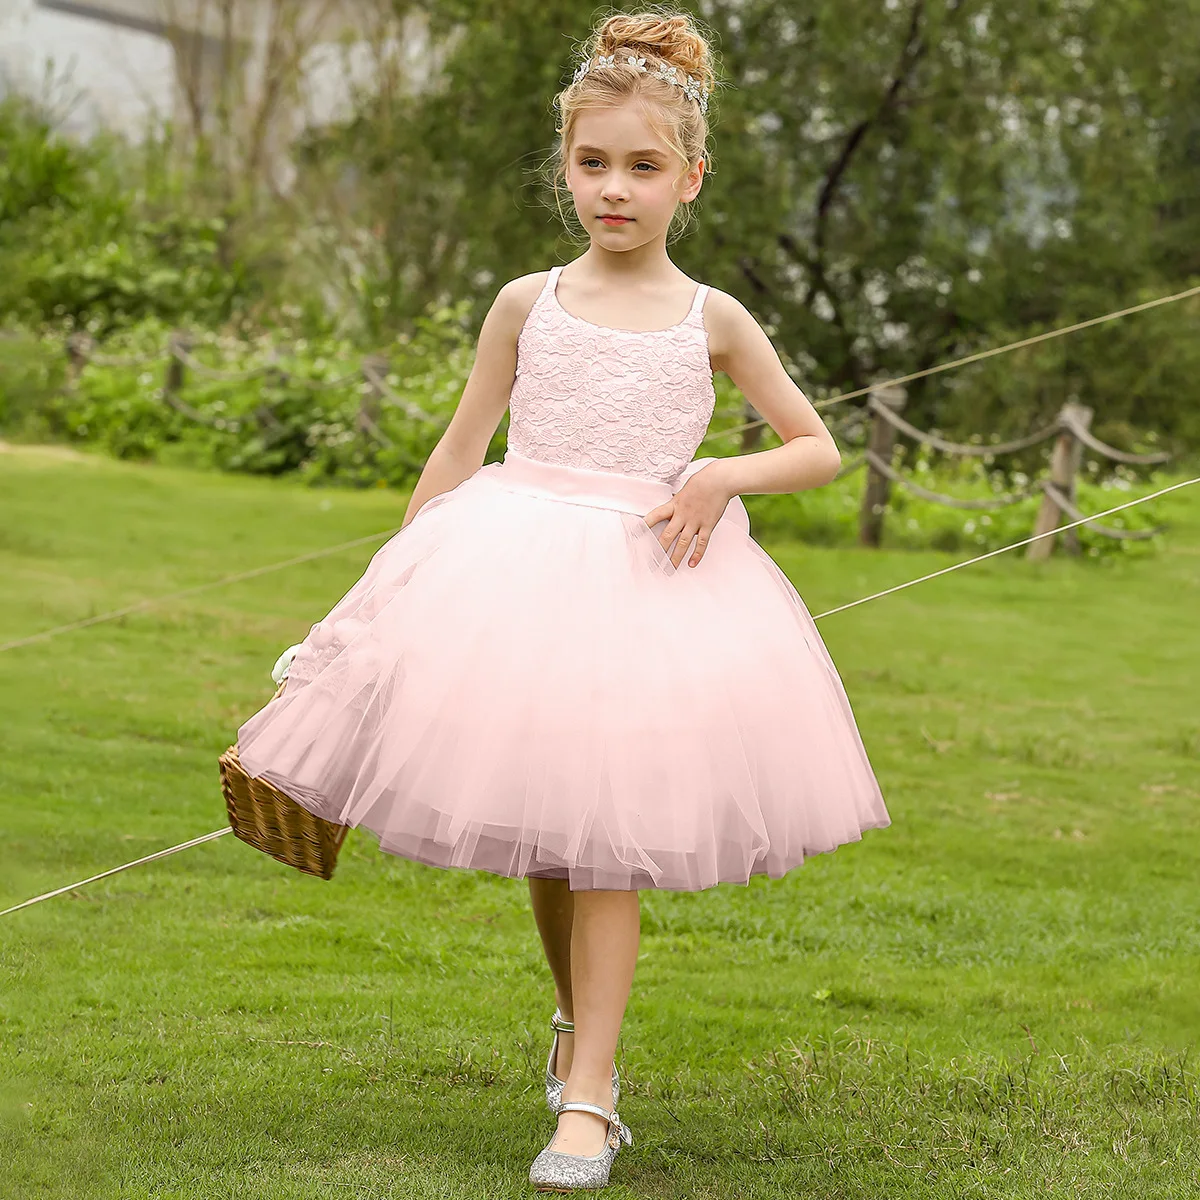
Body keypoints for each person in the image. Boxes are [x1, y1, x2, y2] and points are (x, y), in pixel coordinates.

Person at [235, 8, 889, 1191]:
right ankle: (576, 1031)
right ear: (565, 172)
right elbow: (456, 452)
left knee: (608, 850)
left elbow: (816, 450)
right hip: (511, 573)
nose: (616, 189)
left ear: (691, 178)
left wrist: (721, 472)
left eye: (643, 167)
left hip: (649, 592)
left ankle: (590, 1099)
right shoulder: (525, 303)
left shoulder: (714, 320)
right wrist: (379, 599)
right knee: (552, 838)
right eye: (594, 164)